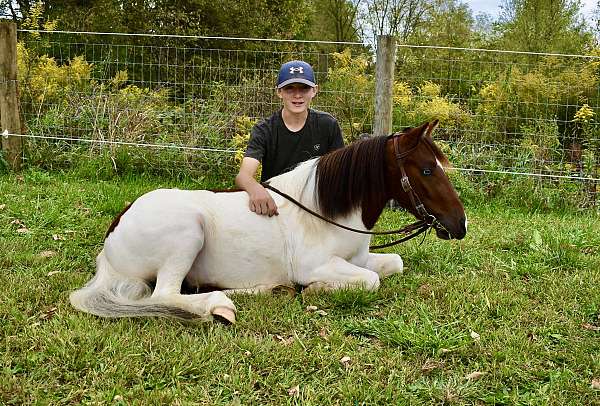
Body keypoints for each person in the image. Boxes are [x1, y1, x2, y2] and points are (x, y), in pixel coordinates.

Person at [235, 60, 344, 216]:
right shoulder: (264, 129)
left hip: (314, 206)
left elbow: (340, 174)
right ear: (279, 92)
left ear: (314, 90)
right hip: (274, 205)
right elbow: (243, 176)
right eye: (289, 88)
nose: (297, 95)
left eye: (304, 88)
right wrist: (256, 189)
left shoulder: (328, 125)